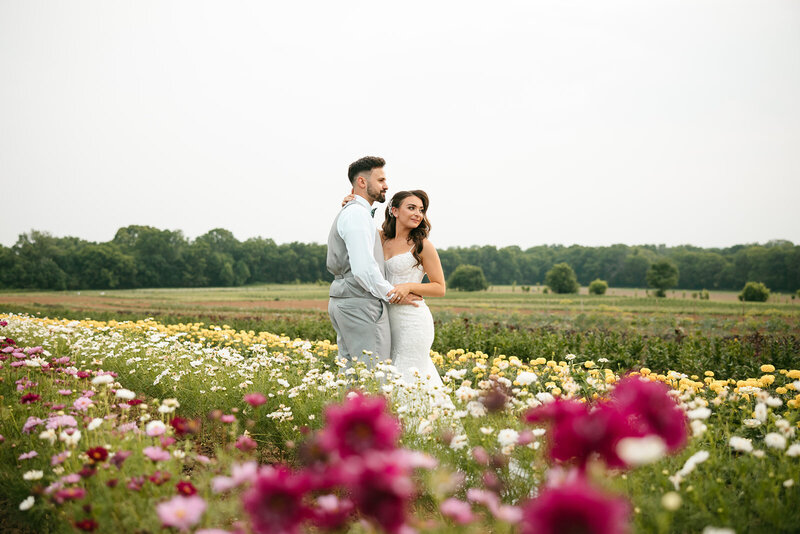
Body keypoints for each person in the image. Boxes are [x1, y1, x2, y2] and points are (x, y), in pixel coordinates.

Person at [326, 156, 420, 369]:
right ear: (361, 182)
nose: (386, 185)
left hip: (344, 298)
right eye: (381, 180)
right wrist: (392, 294)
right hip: (361, 301)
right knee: (375, 373)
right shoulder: (357, 215)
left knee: (352, 372)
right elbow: (363, 268)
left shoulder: (353, 212)